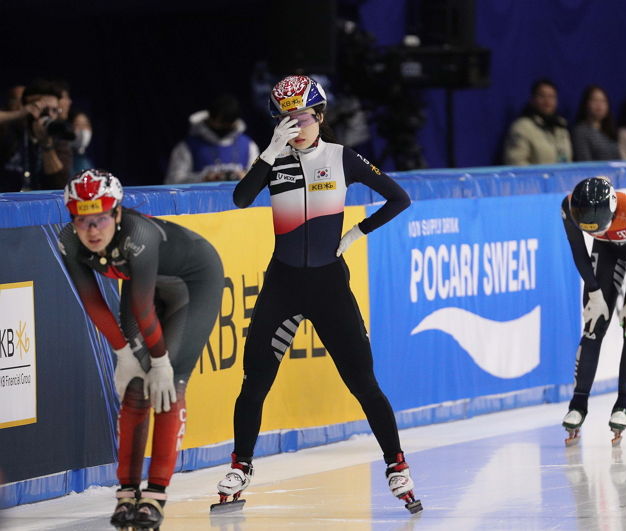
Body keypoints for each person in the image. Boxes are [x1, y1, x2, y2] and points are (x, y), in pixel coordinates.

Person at [214, 75, 420, 513]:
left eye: (303, 117)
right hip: (283, 285)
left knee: (363, 383)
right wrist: (269, 153)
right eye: (287, 119)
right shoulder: (273, 160)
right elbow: (239, 199)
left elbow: (399, 198)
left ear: (320, 117)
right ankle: (241, 465)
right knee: (255, 383)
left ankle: (396, 464)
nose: (297, 126)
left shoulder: (342, 158)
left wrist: (357, 232)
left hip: (328, 285)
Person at [58, 169, 224, 529]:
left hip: (193, 284)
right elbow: (92, 303)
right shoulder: (68, 241)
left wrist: (161, 362)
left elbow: (145, 306)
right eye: (82, 220)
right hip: (141, 289)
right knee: (135, 389)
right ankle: (127, 492)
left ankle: (156, 494)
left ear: (117, 214)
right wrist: (122, 354)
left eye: (100, 218)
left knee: (168, 385)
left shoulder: (139, 234)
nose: (92, 231)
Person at [560, 176, 626, 445]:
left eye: (598, 225)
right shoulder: (570, 207)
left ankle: (624, 404)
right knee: (593, 326)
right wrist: (594, 292)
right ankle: (578, 403)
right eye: (588, 228)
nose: (592, 230)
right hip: (607, 252)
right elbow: (578, 250)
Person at [165, 94, 259, 184]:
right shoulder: (187, 147)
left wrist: (246, 178)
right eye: (220, 123)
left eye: (227, 123)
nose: (223, 127)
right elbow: (172, 182)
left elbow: (260, 181)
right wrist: (204, 178)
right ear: (210, 118)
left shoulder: (248, 145)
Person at [0, 78, 73, 192]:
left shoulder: (58, 138)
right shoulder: (8, 130)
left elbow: (60, 186)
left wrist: (47, 146)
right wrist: (19, 114)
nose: (48, 115)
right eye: (43, 110)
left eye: (54, 110)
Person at [503, 78, 572, 165]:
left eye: (551, 97)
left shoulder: (561, 124)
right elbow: (516, 163)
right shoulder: (522, 127)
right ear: (532, 99)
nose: (547, 101)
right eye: (542, 96)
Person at [571, 85, 620, 161]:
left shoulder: (610, 131)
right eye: (594, 100)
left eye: (603, 101)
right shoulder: (580, 132)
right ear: (586, 104)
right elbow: (585, 162)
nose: (599, 105)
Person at [69, 109, 95, 173]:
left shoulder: (88, 161)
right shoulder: (65, 158)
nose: (82, 129)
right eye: (78, 125)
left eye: (85, 125)